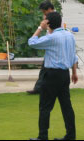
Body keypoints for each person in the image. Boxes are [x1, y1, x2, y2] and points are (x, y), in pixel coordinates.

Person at [28, 12, 78, 141]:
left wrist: (40, 28)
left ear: (48, 23)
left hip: (51, 74)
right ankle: (71, 135)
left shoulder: (52, 37)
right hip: (64, 74)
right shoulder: (69, 35)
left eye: (45, 20)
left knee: (45, 106)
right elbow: (73, 56)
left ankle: (43, 136)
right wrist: (74, 72)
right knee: (66, 106)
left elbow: (32, 42)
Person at [27, 0, 55, 95]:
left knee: (47, 71)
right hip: (50, 47)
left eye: (44, 12)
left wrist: (42, 27)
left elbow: (53, 31)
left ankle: (40, 89)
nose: (44, 14)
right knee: (43, 70)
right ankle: (38, 88)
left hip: (54, 47)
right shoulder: (48, 17)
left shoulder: (55, 18)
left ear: (50, 9)